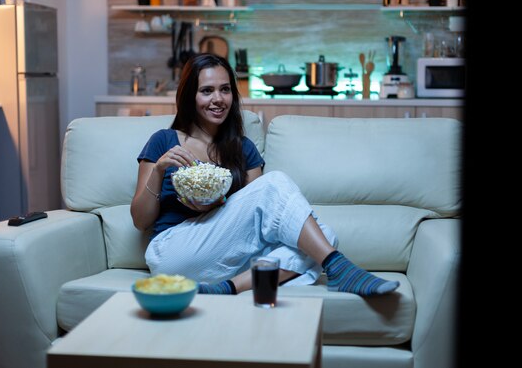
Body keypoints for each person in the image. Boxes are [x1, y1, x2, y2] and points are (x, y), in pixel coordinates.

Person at [130, 53, 400, 297]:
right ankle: (338, 266)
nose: (218, 99)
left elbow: (255, 217)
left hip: (225, 262)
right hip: (174, 254)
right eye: (207, 91)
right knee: (276, 183)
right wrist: (158, 170)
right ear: (190, 96)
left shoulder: (242, 149)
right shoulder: (164, 141)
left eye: (225, 90)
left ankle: (227, 288)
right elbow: (141, 221)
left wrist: (216, 203)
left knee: (324, 236)